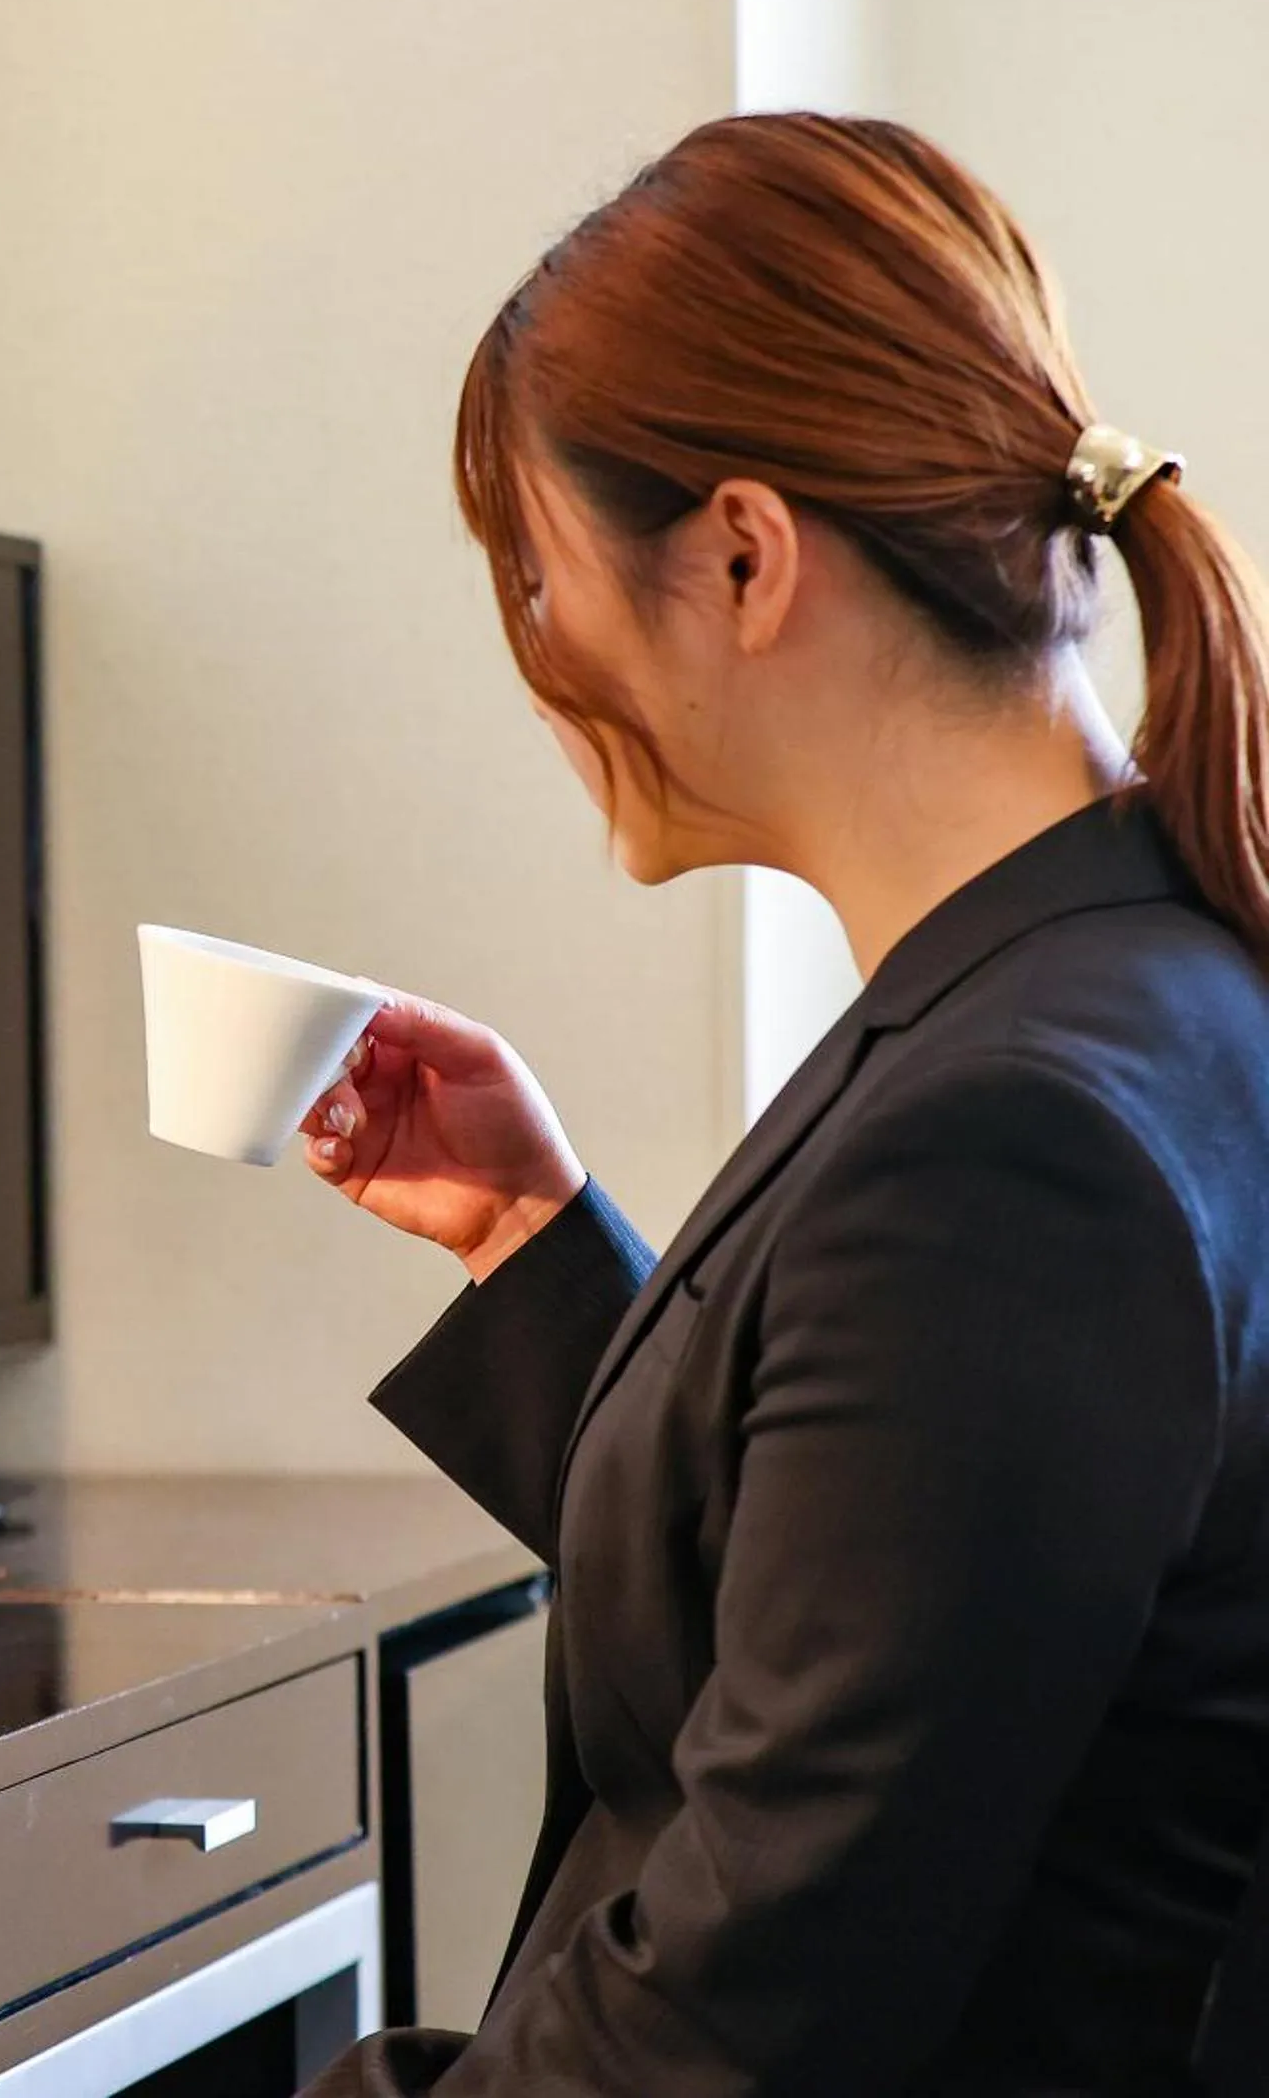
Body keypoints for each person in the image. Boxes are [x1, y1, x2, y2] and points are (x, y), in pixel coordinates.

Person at [299, 113, 1269, 2096]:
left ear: (743, 555)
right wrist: (540, 1250)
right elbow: (901, 1591)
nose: (541, 656)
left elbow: (739, 2019)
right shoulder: (1139, 977)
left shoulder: (1010, 1146)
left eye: (541, 576)